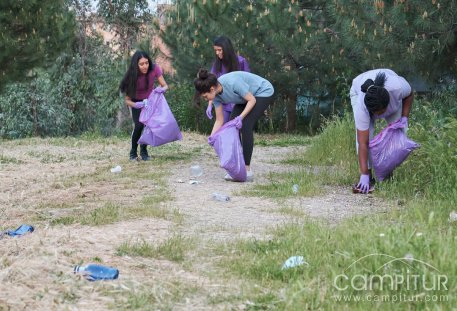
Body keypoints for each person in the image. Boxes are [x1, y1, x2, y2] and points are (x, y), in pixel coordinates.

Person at [194, 69, 275, 182]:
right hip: (246, 97)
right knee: (232, 125)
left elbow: (252, 100)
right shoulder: (215, 96)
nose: (206, 99)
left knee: (245, 125)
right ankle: (237, 167)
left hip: (262, 91)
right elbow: (219, 120)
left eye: (205, 97)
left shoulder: (233, 83)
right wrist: (212, 136)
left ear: (212, 89)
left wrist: (241, 117)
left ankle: (247, 170)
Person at [350, 69, 413, 193]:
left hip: (390, 99)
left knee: (397, 135)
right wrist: (364, 175)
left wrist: (405, 117)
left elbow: (410, 95)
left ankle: (387, 174)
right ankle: (368, 177)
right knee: (365, 137)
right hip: (358, 92)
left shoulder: (398, 88)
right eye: (375, 113)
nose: (378, 116)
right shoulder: (362, 106)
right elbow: (363, 142)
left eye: (380, 112)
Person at [119, 50, 168, 161]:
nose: (145, 66)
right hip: (137, 102)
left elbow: (165, 85)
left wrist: (160, 90)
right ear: (136, 65)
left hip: (150, 100)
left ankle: (144, 152)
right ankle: (133, 153)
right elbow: (127, 100)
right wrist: (137, 105)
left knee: (148, 126)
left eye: (146, 63)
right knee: (139, 126)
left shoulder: (154, 69)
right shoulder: (131, 76)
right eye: (141, 64)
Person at [206, 36, 250, 123]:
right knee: (223, 128)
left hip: (239, 103)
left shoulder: (241, 62)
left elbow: (248, 82)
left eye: (219, 50)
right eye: (215, 50)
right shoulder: (216, 65)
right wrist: (210, 104)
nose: (217, 53)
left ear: (226, 49)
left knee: (236, 128)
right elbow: (211, 85)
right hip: (224, 104)